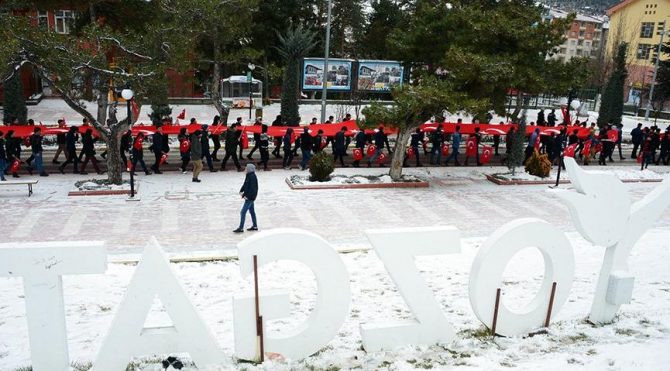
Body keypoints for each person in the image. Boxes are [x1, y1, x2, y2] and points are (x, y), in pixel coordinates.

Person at [233, 163, 259, 233]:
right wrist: (241, 191)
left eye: (246, 168)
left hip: (250, 197)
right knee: (252, 211)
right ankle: (255, 226)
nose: (245, 169)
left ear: (249, 169)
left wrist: (246, 196)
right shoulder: (248, 176)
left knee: (243, 212)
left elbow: (253, 189)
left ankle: (241, 228)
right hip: (249, 197)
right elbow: (245, 185)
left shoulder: (252, 177)